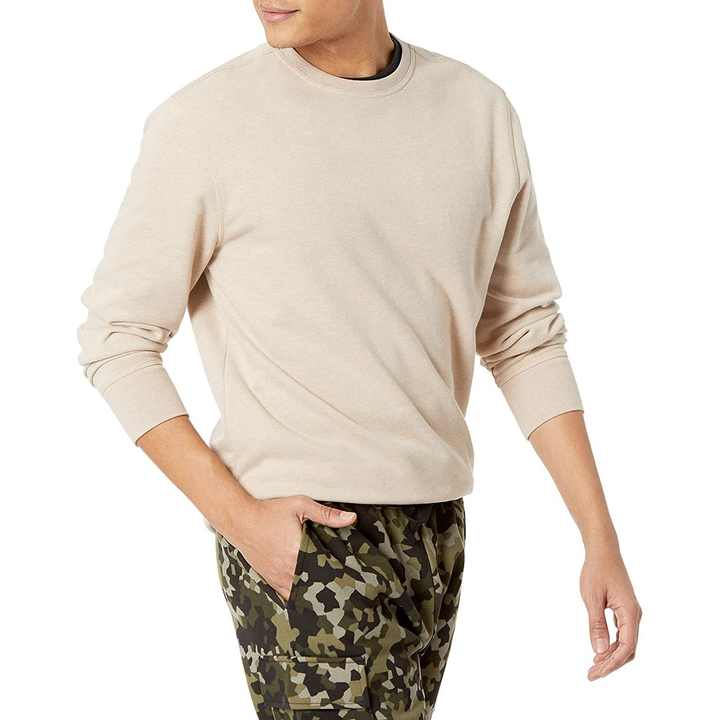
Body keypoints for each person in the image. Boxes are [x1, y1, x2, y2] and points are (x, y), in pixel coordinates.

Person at [77, 1, 642, 717]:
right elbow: (117, 338)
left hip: (437, 528)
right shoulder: (206, 122)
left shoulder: (478, 112)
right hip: (305, 531)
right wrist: (239, 518)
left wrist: (599, 537)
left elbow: (522, 334)